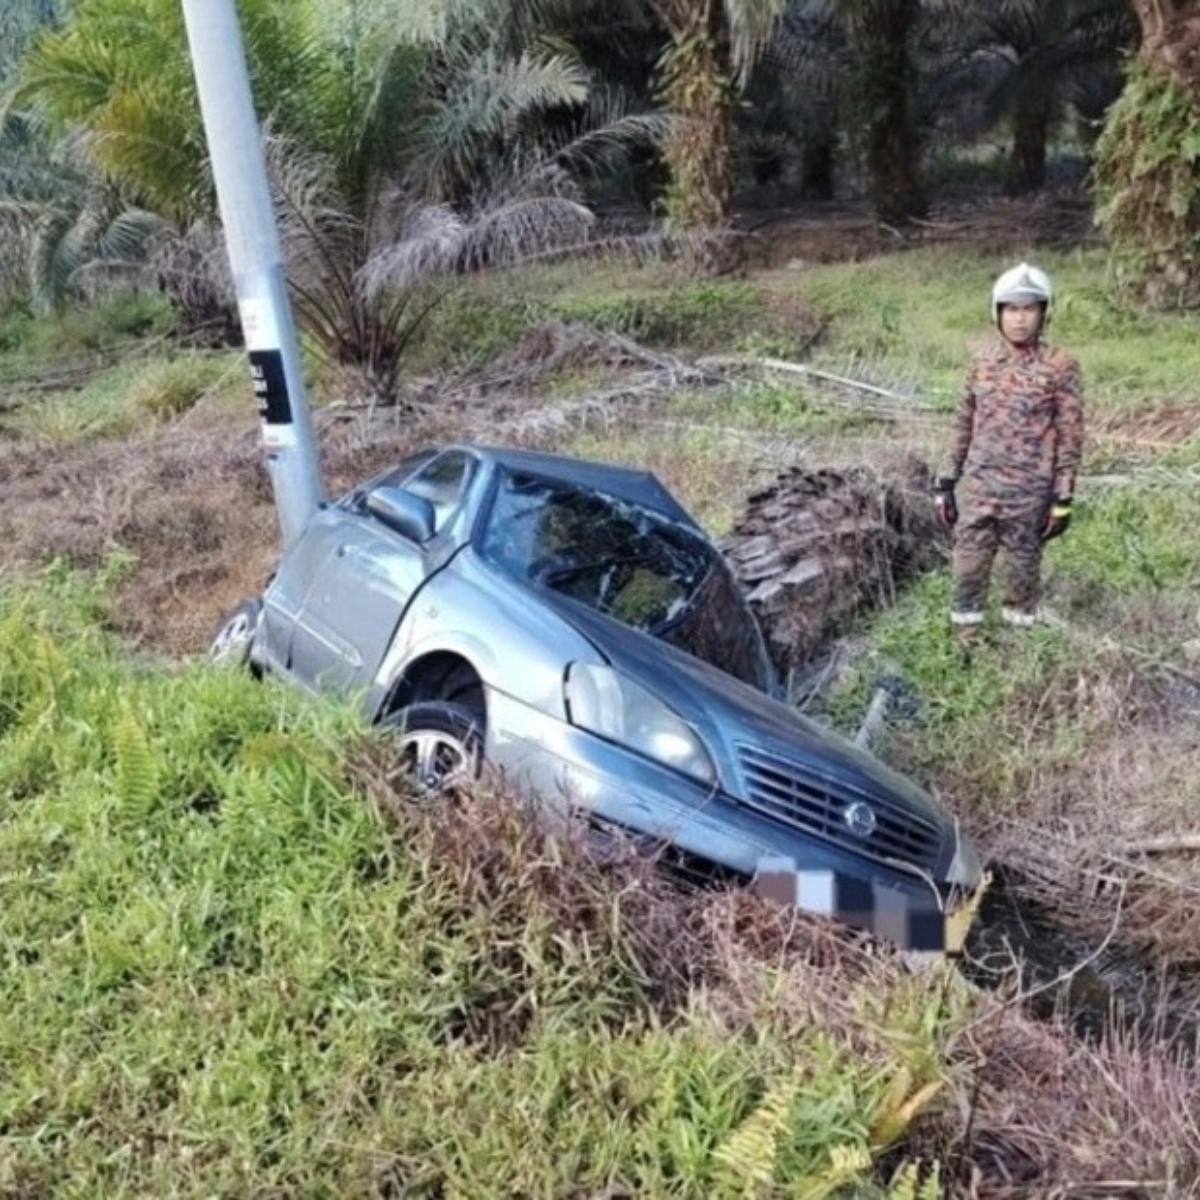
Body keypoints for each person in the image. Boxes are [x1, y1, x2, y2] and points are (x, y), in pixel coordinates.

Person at [933, 262, 1085, 643]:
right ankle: (966, 642)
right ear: (997, 313)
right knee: (968, 568)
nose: (1020, 319)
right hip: (980, 489)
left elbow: (1070, 434)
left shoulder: (1060, 367)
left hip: (1028, 495)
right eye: (1011, 309)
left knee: (1022, 574)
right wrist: (945, 481)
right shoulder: (982, 364)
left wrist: (1063, 496)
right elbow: (962, 424)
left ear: (1043, 313)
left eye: (1029, 309)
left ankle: (1019, 646)